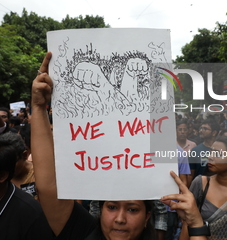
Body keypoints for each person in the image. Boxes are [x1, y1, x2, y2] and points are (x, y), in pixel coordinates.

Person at [31, 52, 207, 240]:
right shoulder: (83, 233)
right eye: (112, 207)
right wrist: (39, 107)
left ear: (148, 216)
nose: (120, 219)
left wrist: (195, 222)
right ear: (100, 209)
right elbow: (48, 186)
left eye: (132, 209)